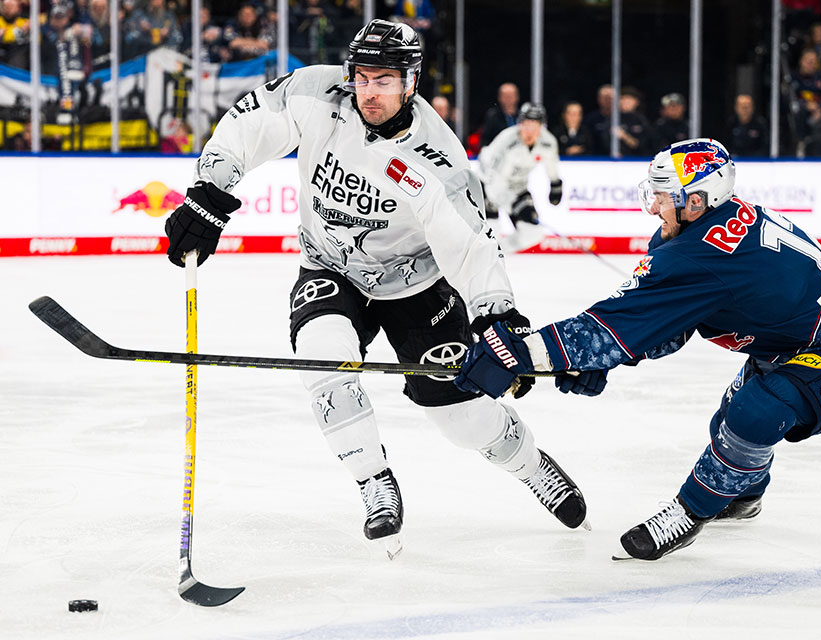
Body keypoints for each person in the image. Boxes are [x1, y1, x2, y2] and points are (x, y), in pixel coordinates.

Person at [161, 19, 588, 559]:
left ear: (411, 82)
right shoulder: (318, 92)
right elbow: (251, 123)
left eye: (384, 80)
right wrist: (209, 189)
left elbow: (471, 244)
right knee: (323, 359)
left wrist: (494, 313)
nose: (369, 91)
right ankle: (372, 480)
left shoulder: (438, 158)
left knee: (458, 416)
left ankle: (532, 467)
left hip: (417, 287)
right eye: (362, 77)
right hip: (329, 267)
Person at [454, 137, 821, 561]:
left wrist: (515, 352)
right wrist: (605, 357)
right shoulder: (704, 231)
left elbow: (616, 322)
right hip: (804, 338)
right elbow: (667, 325)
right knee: (732, 424)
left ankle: (692, 510)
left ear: (696, 201)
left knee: (756, 412)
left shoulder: (701, 253)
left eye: (661, 195)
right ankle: (743, 494)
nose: (652, 206)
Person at [477, 102, 563, 253]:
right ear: (520, 124)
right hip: (488, 186)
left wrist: (555, 184)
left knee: (533, 232)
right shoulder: (507, 141)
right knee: (493, 229)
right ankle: (485, 254)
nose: (529, 130)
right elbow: (494, 181)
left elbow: (551, 164)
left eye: (534, 125)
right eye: (526, 124)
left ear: (541, 126)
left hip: (518, 187)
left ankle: (498, 252)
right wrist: (512, 204)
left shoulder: (548, 142)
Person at [480, 82, 520, 147]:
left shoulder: (522, 116)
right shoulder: (492, 116)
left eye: (511, 96)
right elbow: (485, 140)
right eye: (506, 96)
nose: (509, 99)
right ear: (500, 98)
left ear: (517, 97)